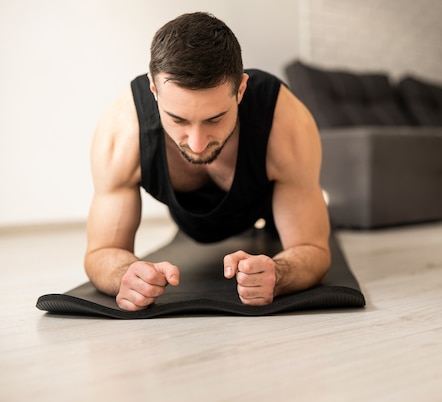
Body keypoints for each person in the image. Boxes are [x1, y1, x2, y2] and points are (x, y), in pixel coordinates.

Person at [84, 12, 331, 311]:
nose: (197, 143)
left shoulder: (285, 122)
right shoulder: (123, 131)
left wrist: (278, 274)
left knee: (290, 230)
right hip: (190, 221)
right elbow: (102, 250)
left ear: (240, 90)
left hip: (265, 207)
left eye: (215, 118)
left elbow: (313, 249)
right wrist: (126, 275)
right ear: (154, 90)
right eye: (178, 119)